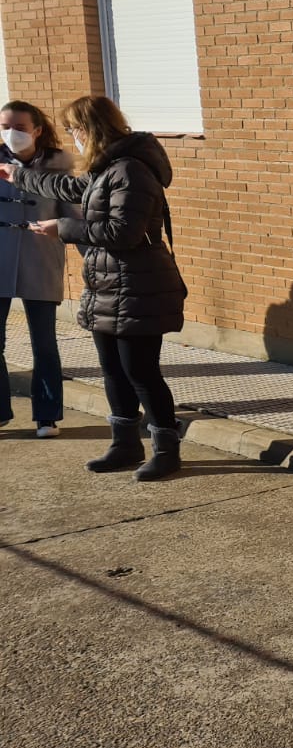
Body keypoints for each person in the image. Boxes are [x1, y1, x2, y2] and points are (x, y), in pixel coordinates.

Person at [0, 96, 187, 480]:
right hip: (107, 284)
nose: (73, 137)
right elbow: (68, 187)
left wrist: (62, 229)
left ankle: (167, 450)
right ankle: (125, 443)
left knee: (141, 371)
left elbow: (124, 233)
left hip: (138, 286)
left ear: (91, 129)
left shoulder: (130, 171)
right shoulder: (105, 169)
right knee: (112, 369)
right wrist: (17, 175)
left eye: (74, 129)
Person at [0, 101, 74, 438]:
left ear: (37, 130)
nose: (10, 133)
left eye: (18, 127)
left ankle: (47, 416)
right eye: (4, 127)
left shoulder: (58, 163)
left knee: (43, 343)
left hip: (41, 258)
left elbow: (74, 216)